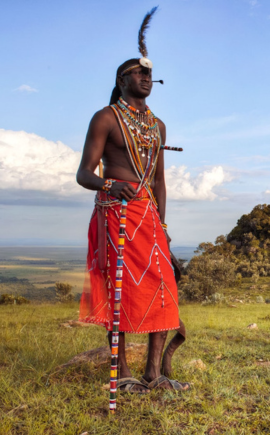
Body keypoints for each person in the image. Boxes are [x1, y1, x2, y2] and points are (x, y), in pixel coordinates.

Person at [76, 57, 190, 393]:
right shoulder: (105, 118)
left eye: (150, 74)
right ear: (121, 79)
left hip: (149, 216)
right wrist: (109, 185)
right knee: (119, 291)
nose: (146, 77)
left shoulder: (158, 126)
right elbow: (84, 173)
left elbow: (159, 181)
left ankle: (154, 373)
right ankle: (123, 371)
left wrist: (163, 226)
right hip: (115, 214)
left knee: (165, 289)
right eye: (138, 72)